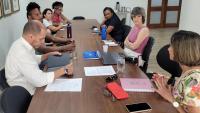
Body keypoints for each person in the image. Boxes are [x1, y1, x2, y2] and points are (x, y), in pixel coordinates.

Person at [5, 20, 73, 95]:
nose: (43, 42)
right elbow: (39, 80)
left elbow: (32, 60)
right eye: (41, 39)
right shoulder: (21, 52)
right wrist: (64, 70)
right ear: (31, 36)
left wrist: (47, 55)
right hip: (25, 93)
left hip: (29, 84)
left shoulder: (21, 44)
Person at [153, 30, 200, 113]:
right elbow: (184, 93)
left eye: (172, 46)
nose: (168, 49)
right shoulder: (188, 69)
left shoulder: (194, 81)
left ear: (182, 50)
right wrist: (170, 84)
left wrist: (170, 98)